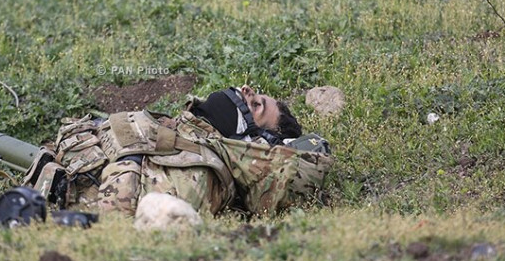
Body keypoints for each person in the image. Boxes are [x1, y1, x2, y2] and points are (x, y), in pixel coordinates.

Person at [23, 85, 333, 218]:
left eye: (256, 105)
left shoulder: (202, 174)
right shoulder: (179, 131)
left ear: (253, 141)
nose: (247, 91)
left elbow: (119, 217)